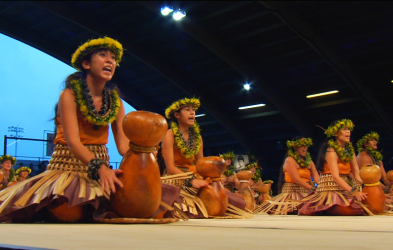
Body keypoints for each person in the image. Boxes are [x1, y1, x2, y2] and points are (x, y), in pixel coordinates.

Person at [0, 37, 129, 223]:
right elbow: (74, 143)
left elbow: (123, 147)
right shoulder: (69, 95)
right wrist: (100, 168)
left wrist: (144, 152)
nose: (110, 61)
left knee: (139, 204)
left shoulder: (116, 102)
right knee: (68, 211)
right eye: (103, 55)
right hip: (66, 169)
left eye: (113, 58)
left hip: (101, 170)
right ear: (86, 64)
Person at [161, 98, 246, 218]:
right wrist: (191, 180)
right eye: (187, 110)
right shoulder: (169, 135)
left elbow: (202, 166)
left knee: (232, 202)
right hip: (174, 179)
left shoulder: (197, 138)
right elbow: (170, 168)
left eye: (193, 110)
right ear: (177, 115)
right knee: (185, 209)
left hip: (194, 178)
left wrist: (213, 180)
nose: (192, 113)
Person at [299, 119, 367, 216]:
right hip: (331, 189)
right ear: (335, 133)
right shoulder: (331, 151)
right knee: (349, 211)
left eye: (349, 129)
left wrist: (365, 186)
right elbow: (335, 177)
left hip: (346, 186)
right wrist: (353, 191)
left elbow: (356, 174)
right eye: (344, 129)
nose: (348, 131)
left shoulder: (350, 150)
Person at [255, 137, 319, 215]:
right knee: (296, 210)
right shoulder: (290, 160)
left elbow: (315, 175)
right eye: (303, 145)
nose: (305, 147)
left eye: (307, 145)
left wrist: (321, 186)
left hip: (307, 192)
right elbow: (297, 180)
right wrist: (313, 189)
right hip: (292, 194)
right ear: (295, 147)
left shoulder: (309, 162)